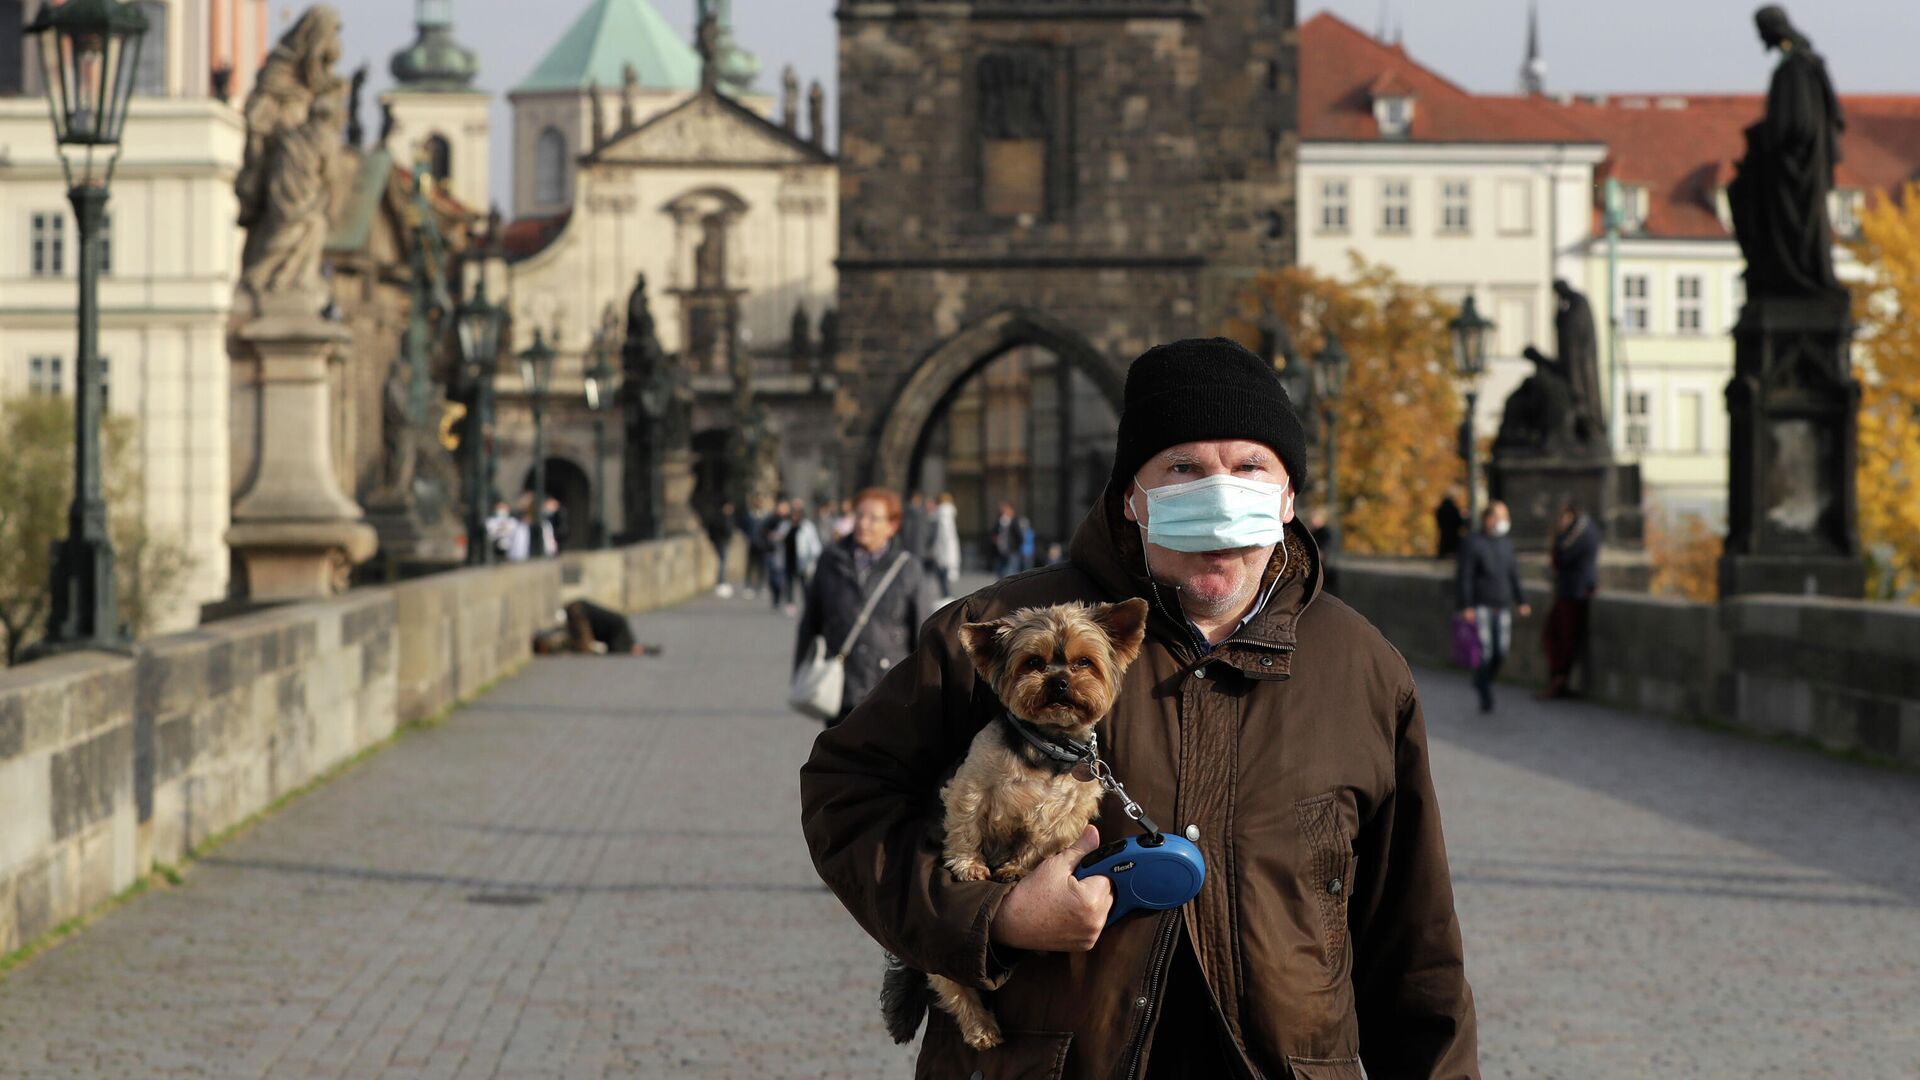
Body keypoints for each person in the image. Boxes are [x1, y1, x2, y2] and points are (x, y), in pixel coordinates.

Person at [801, 338, 1477, 1077]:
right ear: (1132, 495)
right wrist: (996, 918)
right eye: (1184, 468)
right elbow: (846, 793)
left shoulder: (1362, 670)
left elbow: (1417, 955)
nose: (1220, 492)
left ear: (1288, 496)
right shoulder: (999, 634)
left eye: (1250, 466)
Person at [793, 488, 940, 728]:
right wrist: (802, 670)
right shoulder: (830, 561)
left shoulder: (908, 568)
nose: (864, 523)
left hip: (890, 687)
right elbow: (811, 621)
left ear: (892, 526)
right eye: (859, 515)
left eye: (873, 518)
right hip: (841, 684)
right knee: (841, 760)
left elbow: (923, 631)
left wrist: (927, 689)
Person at [1457, 499, 1532, 713]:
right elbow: (1466, 577)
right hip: (1481, 605)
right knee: (1486, 651)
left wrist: (1522, 600)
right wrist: (1466, 605)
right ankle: (1485, 693)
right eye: (1500, 517)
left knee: (1501, 652)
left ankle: (1482, 680)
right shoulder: (1473, 543)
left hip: (1502, 605)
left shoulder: (1506, 544)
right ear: (1488, 519)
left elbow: (1513, 575)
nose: (1504, 521)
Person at [1542, 502, 1602, 699]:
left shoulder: (1580, 533)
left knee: (1563, 639)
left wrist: (1557, 537)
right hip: (1570, 590)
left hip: (1574, 591)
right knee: (1556, 637)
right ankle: (1559, 680)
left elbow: (1562, 557)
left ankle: (1560, 681)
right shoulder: (1584, 530)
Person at [929, 492, 962, 598]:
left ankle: (947, 597)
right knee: (943, 577)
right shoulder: (945, 513)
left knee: (942, 576)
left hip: (944, 551)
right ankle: (946, 596)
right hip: (946, 550)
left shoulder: (942, 514)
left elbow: (945, 536)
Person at [789, 501, 823, 602]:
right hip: (790, 559)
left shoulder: (808, 526)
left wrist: (813, 559)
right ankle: (790, 602)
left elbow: (815, 545)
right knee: (789, 582)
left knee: (805, 584)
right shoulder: (787, 525)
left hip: (804, 560)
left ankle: (807, 603)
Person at [766, 498, 796, 611]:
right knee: (774, 578)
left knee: (786, 579)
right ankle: (776, 597)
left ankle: (788, 600)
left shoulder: (791, 521)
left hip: (787, 555)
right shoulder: (771, 519)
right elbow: (764, 533)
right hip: (773, 552)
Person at [705, 500, 737, 598]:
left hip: (724, 541)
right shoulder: (719, 518)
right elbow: (715, 529)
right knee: (722, 561)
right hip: (720, 541)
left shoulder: (728, 517)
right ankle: (721, 582)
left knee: (723, 561)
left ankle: (722, 581)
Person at [990, 501, 1028, 578]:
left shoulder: (1015, 521)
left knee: (1012, 570)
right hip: (1001, 550)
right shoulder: (999, 522)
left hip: (1013, 550)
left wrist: (1018, 544)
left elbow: (1019, 535)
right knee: (1001, 571)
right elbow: (994, 533)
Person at [1435, 487, 1465, 560]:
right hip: (1453, 530)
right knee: (1452, 544)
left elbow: (1438, 517)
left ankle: (1443, 554)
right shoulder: (1454, 508)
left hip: (1444, 529)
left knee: (1444, 542)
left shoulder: (1441, 508)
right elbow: (1458, 520)